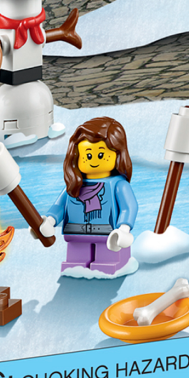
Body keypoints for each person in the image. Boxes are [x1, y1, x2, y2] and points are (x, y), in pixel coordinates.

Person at [45, 116, 138, 275]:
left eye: (101, 155)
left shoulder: (118, 185)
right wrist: (50, 220)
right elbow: (60, 206)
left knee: (107, 259)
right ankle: (76, 266)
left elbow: (129, 207)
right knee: (75, 263)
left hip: (109, 236)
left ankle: (109, 263)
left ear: (117, 153)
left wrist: (124, 228)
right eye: (88, 155)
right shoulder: (74, 185)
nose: (94, 160)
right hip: (76, 233)